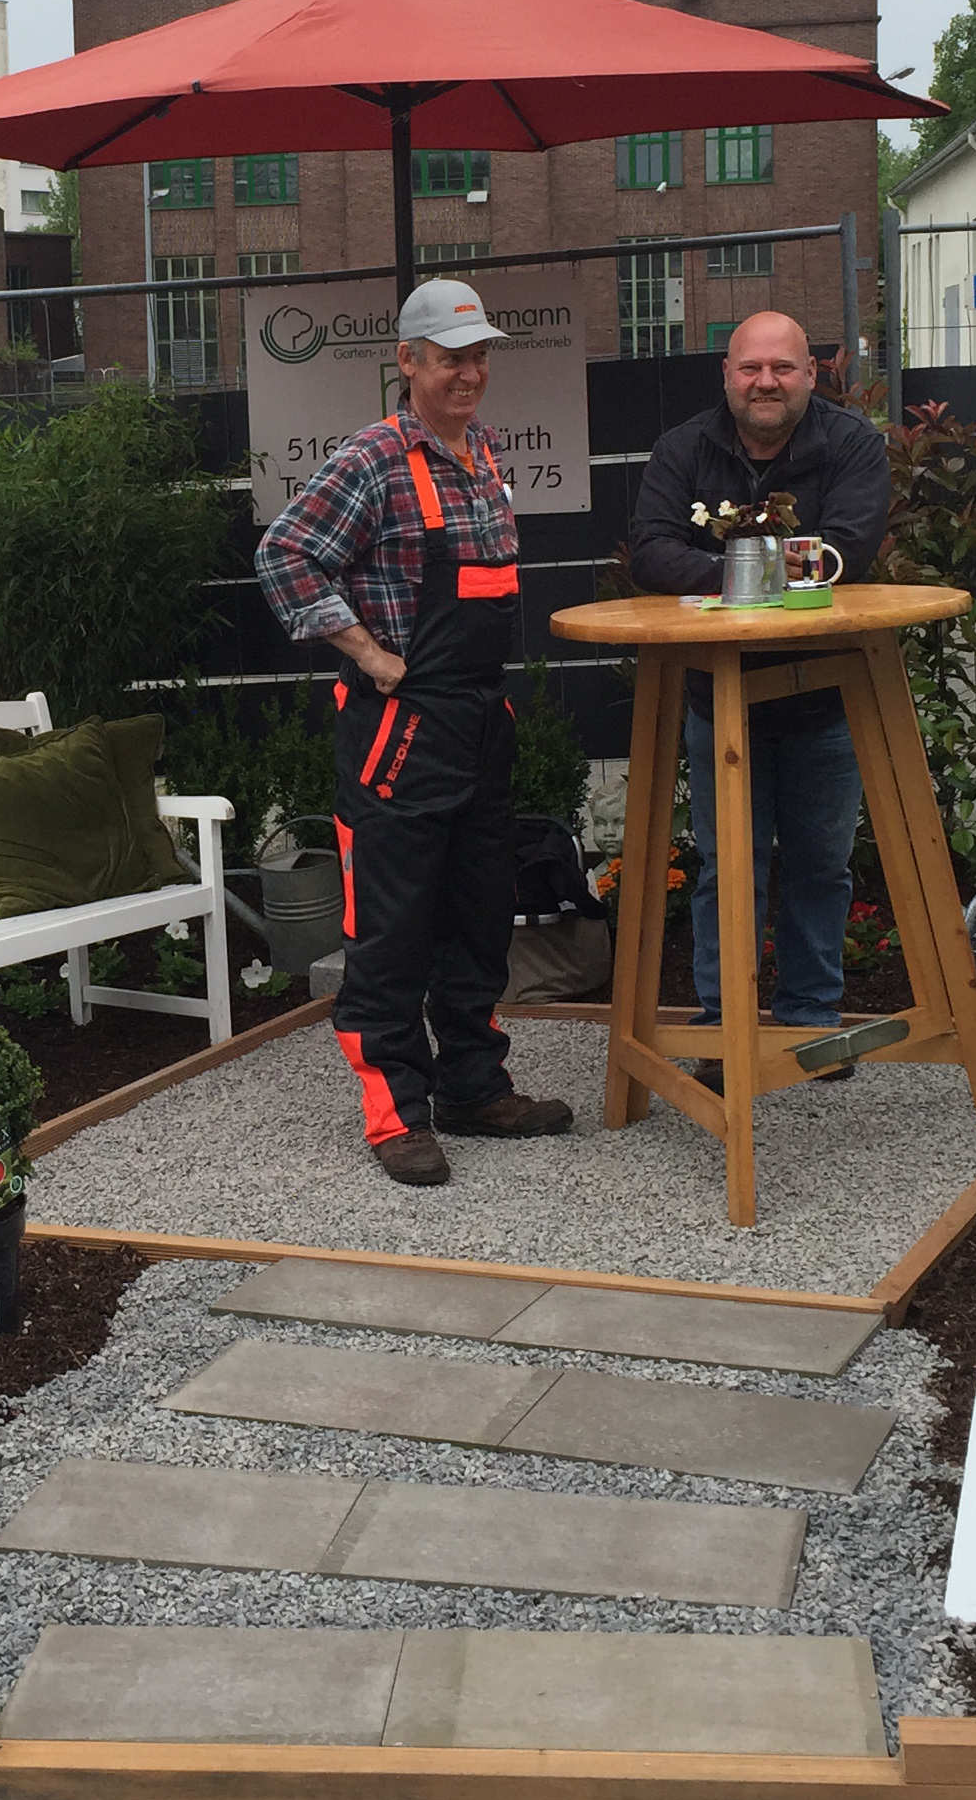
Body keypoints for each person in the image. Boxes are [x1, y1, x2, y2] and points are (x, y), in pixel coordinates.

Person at [254, 278, 574, 1187]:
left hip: (478, 725)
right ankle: (396, 1111)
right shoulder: (372, 460)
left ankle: (475, 1085)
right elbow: (284, 555)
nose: (469, 373)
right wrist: (369, 653)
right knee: (392, 931)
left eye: (479, 357)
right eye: (450, 358)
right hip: (397, 730)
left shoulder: (484, 456)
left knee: (478, 918)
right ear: (408, 362)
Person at [625, 310, 892, 1049]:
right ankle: (724, 1032)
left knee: (821, 867)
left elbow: (847, 554)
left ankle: (811, 1027)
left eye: (781, 368)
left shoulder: (853, 446)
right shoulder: (683, 449)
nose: (765, 382)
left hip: (824, 697)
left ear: (811, 373)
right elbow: (649, 552)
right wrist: (761, 573)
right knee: (726, 869)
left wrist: (725, 574)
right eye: (750, 368)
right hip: (721, 697)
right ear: (727, 376)